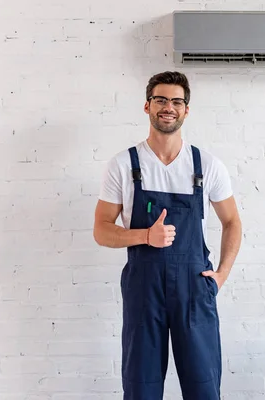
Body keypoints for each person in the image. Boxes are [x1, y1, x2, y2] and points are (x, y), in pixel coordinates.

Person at [93, 71, 242, 399]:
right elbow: (101, 230)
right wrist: (146, 236)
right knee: (140, 387)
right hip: (144, 288)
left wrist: (221, 275)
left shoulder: (206, 165)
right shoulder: (123, 165)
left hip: (194, 287)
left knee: (203, 386)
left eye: (177, 101)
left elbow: (232, 222)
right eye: (160, 99)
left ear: (186, 110)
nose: (168, 107)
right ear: (147, 106)